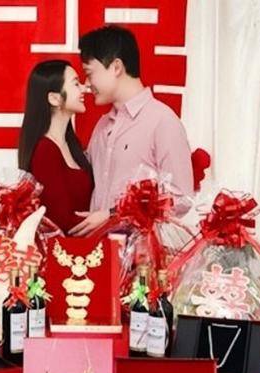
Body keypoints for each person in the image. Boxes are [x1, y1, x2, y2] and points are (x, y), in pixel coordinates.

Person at [69, 25, 193, 237]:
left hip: (142, 251)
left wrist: (114, 215)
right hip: (97, 250)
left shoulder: (162, 121)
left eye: (89, 73)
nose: (87, 84)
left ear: (116, 67)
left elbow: (181, 198)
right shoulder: (102, 126)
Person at [18, 60, 94, 233]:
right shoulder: (46, 150)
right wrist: (108, 219)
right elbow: (60, 220)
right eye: (76, 84)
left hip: (86, 246)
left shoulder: (72, 144)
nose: (84, 89)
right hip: (66, 247)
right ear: (54, 98)